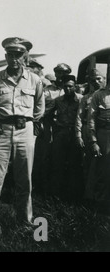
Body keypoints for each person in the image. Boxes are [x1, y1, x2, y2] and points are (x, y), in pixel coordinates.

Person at [0, 37, 44, 237]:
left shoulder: (34, 80)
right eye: (11, 55)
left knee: (24, 179)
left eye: (19, 55)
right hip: (0, 132)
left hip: (24, 130)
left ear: (25, 57)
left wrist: (25, 123)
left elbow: (39, 109)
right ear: (6, 56)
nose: (15, 59)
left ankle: (24, 221)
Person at [33, 63, 72, 195]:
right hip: (48, 124)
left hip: (64, 127)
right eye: (58, 73)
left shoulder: (72, 88)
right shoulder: (47, 89)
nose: (61, 76)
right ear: (55, 74)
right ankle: (42, 188)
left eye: (64, 73)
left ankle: (62, 189)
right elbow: (40, 107)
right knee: (44, 156)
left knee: (62, 158)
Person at [48, 75, 83, 200]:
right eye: (66, 86)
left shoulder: (81, 100)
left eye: (71, 86)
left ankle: (73, 194)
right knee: (57, 163)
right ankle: (55, 194)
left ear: (75, 86)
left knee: (75, 164)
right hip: (61, 134)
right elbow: (48, 114)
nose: (68, 89)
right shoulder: (58, 100)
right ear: (62, 87)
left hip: (75, 134)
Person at [75, 69, 106, 201]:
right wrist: (78, 135)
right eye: (93, 80)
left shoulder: (106, 96)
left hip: (104, 131)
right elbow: (79, 117)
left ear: (104, 78)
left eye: (99, 78)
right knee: (88, 163)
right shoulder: (86, 98)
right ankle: (89, 196)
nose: (97, 82)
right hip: (88, 130)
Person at [86, 75, 110, 214]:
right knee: (103, 171)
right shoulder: (99, 95)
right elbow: (91, 119)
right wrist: (94, 141)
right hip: (105, 134)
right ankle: (100, 206)